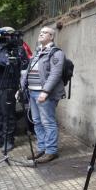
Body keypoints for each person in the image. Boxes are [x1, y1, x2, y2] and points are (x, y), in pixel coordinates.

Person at [21, 26, 65, 163]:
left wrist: (45, 92)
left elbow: (55, 74)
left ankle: (51, 151)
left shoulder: (56, 53)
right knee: (37, 121)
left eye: (44, 33)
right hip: (32, 92)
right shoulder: (37, 52)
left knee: (48, 122)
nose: (40, 34)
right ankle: (42, 148)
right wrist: (21, 88)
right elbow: (27, 72)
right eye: (40, 32)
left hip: (44, 94)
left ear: (51, 37)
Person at [0, 27, 29, 152]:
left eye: (2, 34)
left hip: (7, 86)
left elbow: (7, 62)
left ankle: (9, 140)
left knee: (7, 114)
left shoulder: (17, 49)